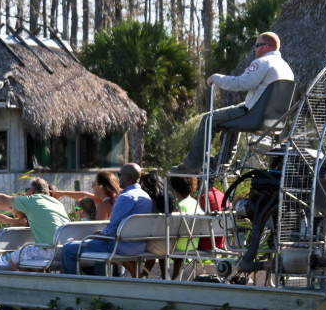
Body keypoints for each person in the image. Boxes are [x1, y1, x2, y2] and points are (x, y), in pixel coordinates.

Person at [172, 32, 294, 174]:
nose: (255, 49)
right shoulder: (287, 68)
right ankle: (221, 163)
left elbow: (241, 84)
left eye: (257, 45)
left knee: (208, 118)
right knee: (232, 117)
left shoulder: (263, 63)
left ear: (267, 47)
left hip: (253, 115)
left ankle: (191, 166)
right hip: (273, 121)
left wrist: (216, 78)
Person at [60, 163, 153, 274]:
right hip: (138, 246)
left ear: (127, 177)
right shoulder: (146, 197)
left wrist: (97, 234)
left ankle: (74, 288)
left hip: (118, 246)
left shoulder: (125, 197)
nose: (119, 178)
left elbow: (110, 230)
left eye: (120, 174)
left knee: (67, 249)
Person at [0, 177, 69, 270]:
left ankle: (26, 284)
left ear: (32, 191)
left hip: (50, 252)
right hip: (66, 250)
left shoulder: (32, 199)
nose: (25, 193)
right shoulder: (56, 203)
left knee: (13, 259)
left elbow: (5, 199)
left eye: (26, 190)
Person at [52, 171, 120, 220]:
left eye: (94, 184)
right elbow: (84, 195)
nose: (92, 187)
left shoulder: (103, 205)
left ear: (100, 186)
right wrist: (63, 193)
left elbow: (99, 230)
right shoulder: (113, 199)